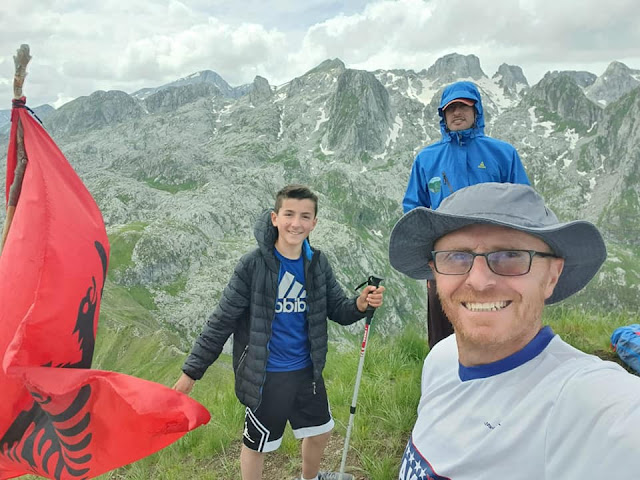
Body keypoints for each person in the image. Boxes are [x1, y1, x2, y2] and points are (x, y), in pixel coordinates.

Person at [389, 182, 640, 479]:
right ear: (434, 273)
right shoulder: (441, 358)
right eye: (456, 256)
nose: (479, 281)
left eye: (510, 255)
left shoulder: (585, 400)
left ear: (552, 276)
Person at [173, 184, 385, 480]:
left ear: (314, 223)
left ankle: (309, 478)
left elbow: (337, 309)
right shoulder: (252, 265)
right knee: (257, 445)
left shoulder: (317, 263)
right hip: (265, 376)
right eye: (289, 214)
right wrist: (190, 374)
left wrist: (359, 305)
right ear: (275, 218)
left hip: (307, 372)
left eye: (305, 216)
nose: (296, 223)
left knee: (321, 431)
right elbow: (221, 321)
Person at [402, 80, 530, 350]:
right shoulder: (426, 159)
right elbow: (413, 210)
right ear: (443, 115)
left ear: (476, 111)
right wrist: (428, 260)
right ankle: (443, 374)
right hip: (445, 259)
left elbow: (523, 203)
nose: (457, 113)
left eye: (463, 107)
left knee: (494, 321)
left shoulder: (502, 153)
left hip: (494, 257)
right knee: (443, 330)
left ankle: (497, 370)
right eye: (450, 109)